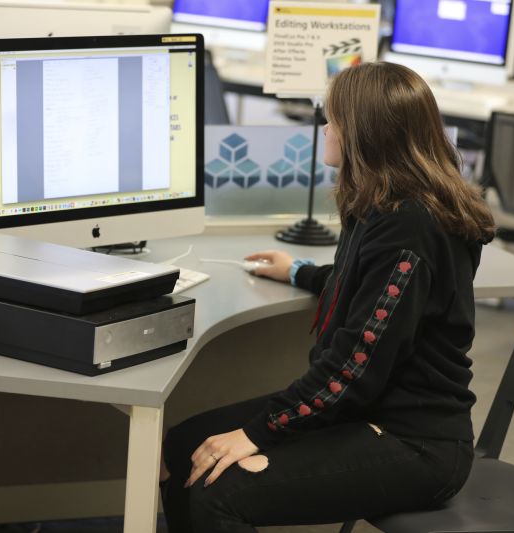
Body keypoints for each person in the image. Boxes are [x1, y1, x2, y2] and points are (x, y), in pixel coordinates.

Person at [160, 61, 496, 532]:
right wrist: (299, 271)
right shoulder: (385, 204)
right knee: (186, 442)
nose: (325, 129)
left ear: (363, 133)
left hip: (415, 441)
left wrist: (256, 434)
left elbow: (351, 370)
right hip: (370, 411)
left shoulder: (410, 227)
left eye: (334, 120)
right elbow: (370, 292)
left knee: (218, 490)